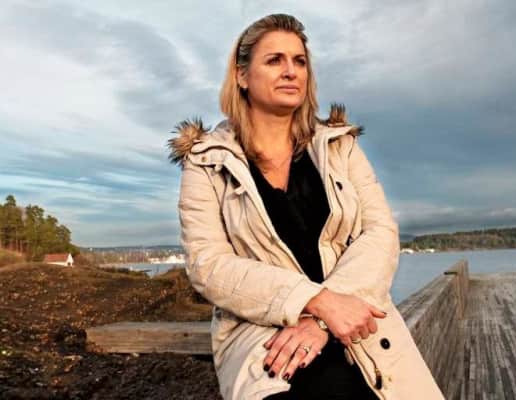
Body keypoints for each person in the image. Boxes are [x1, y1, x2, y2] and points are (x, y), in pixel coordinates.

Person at [168, 13, 444, 400]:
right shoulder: (207, 160)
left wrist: (325, 317)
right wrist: (313, 301)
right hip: (264, 331)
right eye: (274, 60)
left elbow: (380, 232)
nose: (290, 71)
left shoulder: (339, 146)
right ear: (242, 75)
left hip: (354, 315)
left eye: (299, 61)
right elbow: (208, 265)